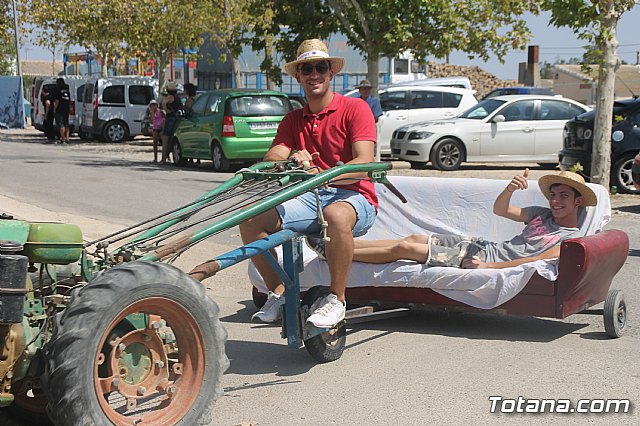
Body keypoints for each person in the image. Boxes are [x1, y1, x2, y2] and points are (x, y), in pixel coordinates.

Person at [237, 38, 377, 327]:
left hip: (354, 197)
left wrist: (321, 173)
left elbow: (363, 163)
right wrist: (290, 161)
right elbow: (274, 156)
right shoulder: (293, 119)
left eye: (320, 67)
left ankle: (336, 300)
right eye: (307, 68)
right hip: (307, 197)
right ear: (298, 76)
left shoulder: (356, 109)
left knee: (335, 215)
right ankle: (279, 291)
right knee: (249, 218)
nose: (314, 74)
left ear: (331, 73)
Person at [346, 169, 597, 269]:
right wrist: (509, 189)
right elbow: (501, 210)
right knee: (412, 237)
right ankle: (341, 245)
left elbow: (533, 261)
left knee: (405, 248)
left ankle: (339, 252)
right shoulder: (542, 214)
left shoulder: (571, 239)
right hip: (482, 246)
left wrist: (487, 267)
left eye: (563, 196)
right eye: (553, 195)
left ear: (578, 201)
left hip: (481, 259)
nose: (555, 201)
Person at [160, 82, 182, 164]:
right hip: (176, 118)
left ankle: (163, 159)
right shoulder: (178, 98)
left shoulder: (169, 98)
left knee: (165, 139)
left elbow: (164, 106)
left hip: (170, 118)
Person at [53, 78, 71, 144]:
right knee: (66, 124)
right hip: (66, 109)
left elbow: (57, 101)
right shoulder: (67, 90)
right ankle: (67, 139)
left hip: (60, 109)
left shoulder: (58, 90)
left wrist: (54, 109)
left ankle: (63, 139)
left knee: (61, 125)